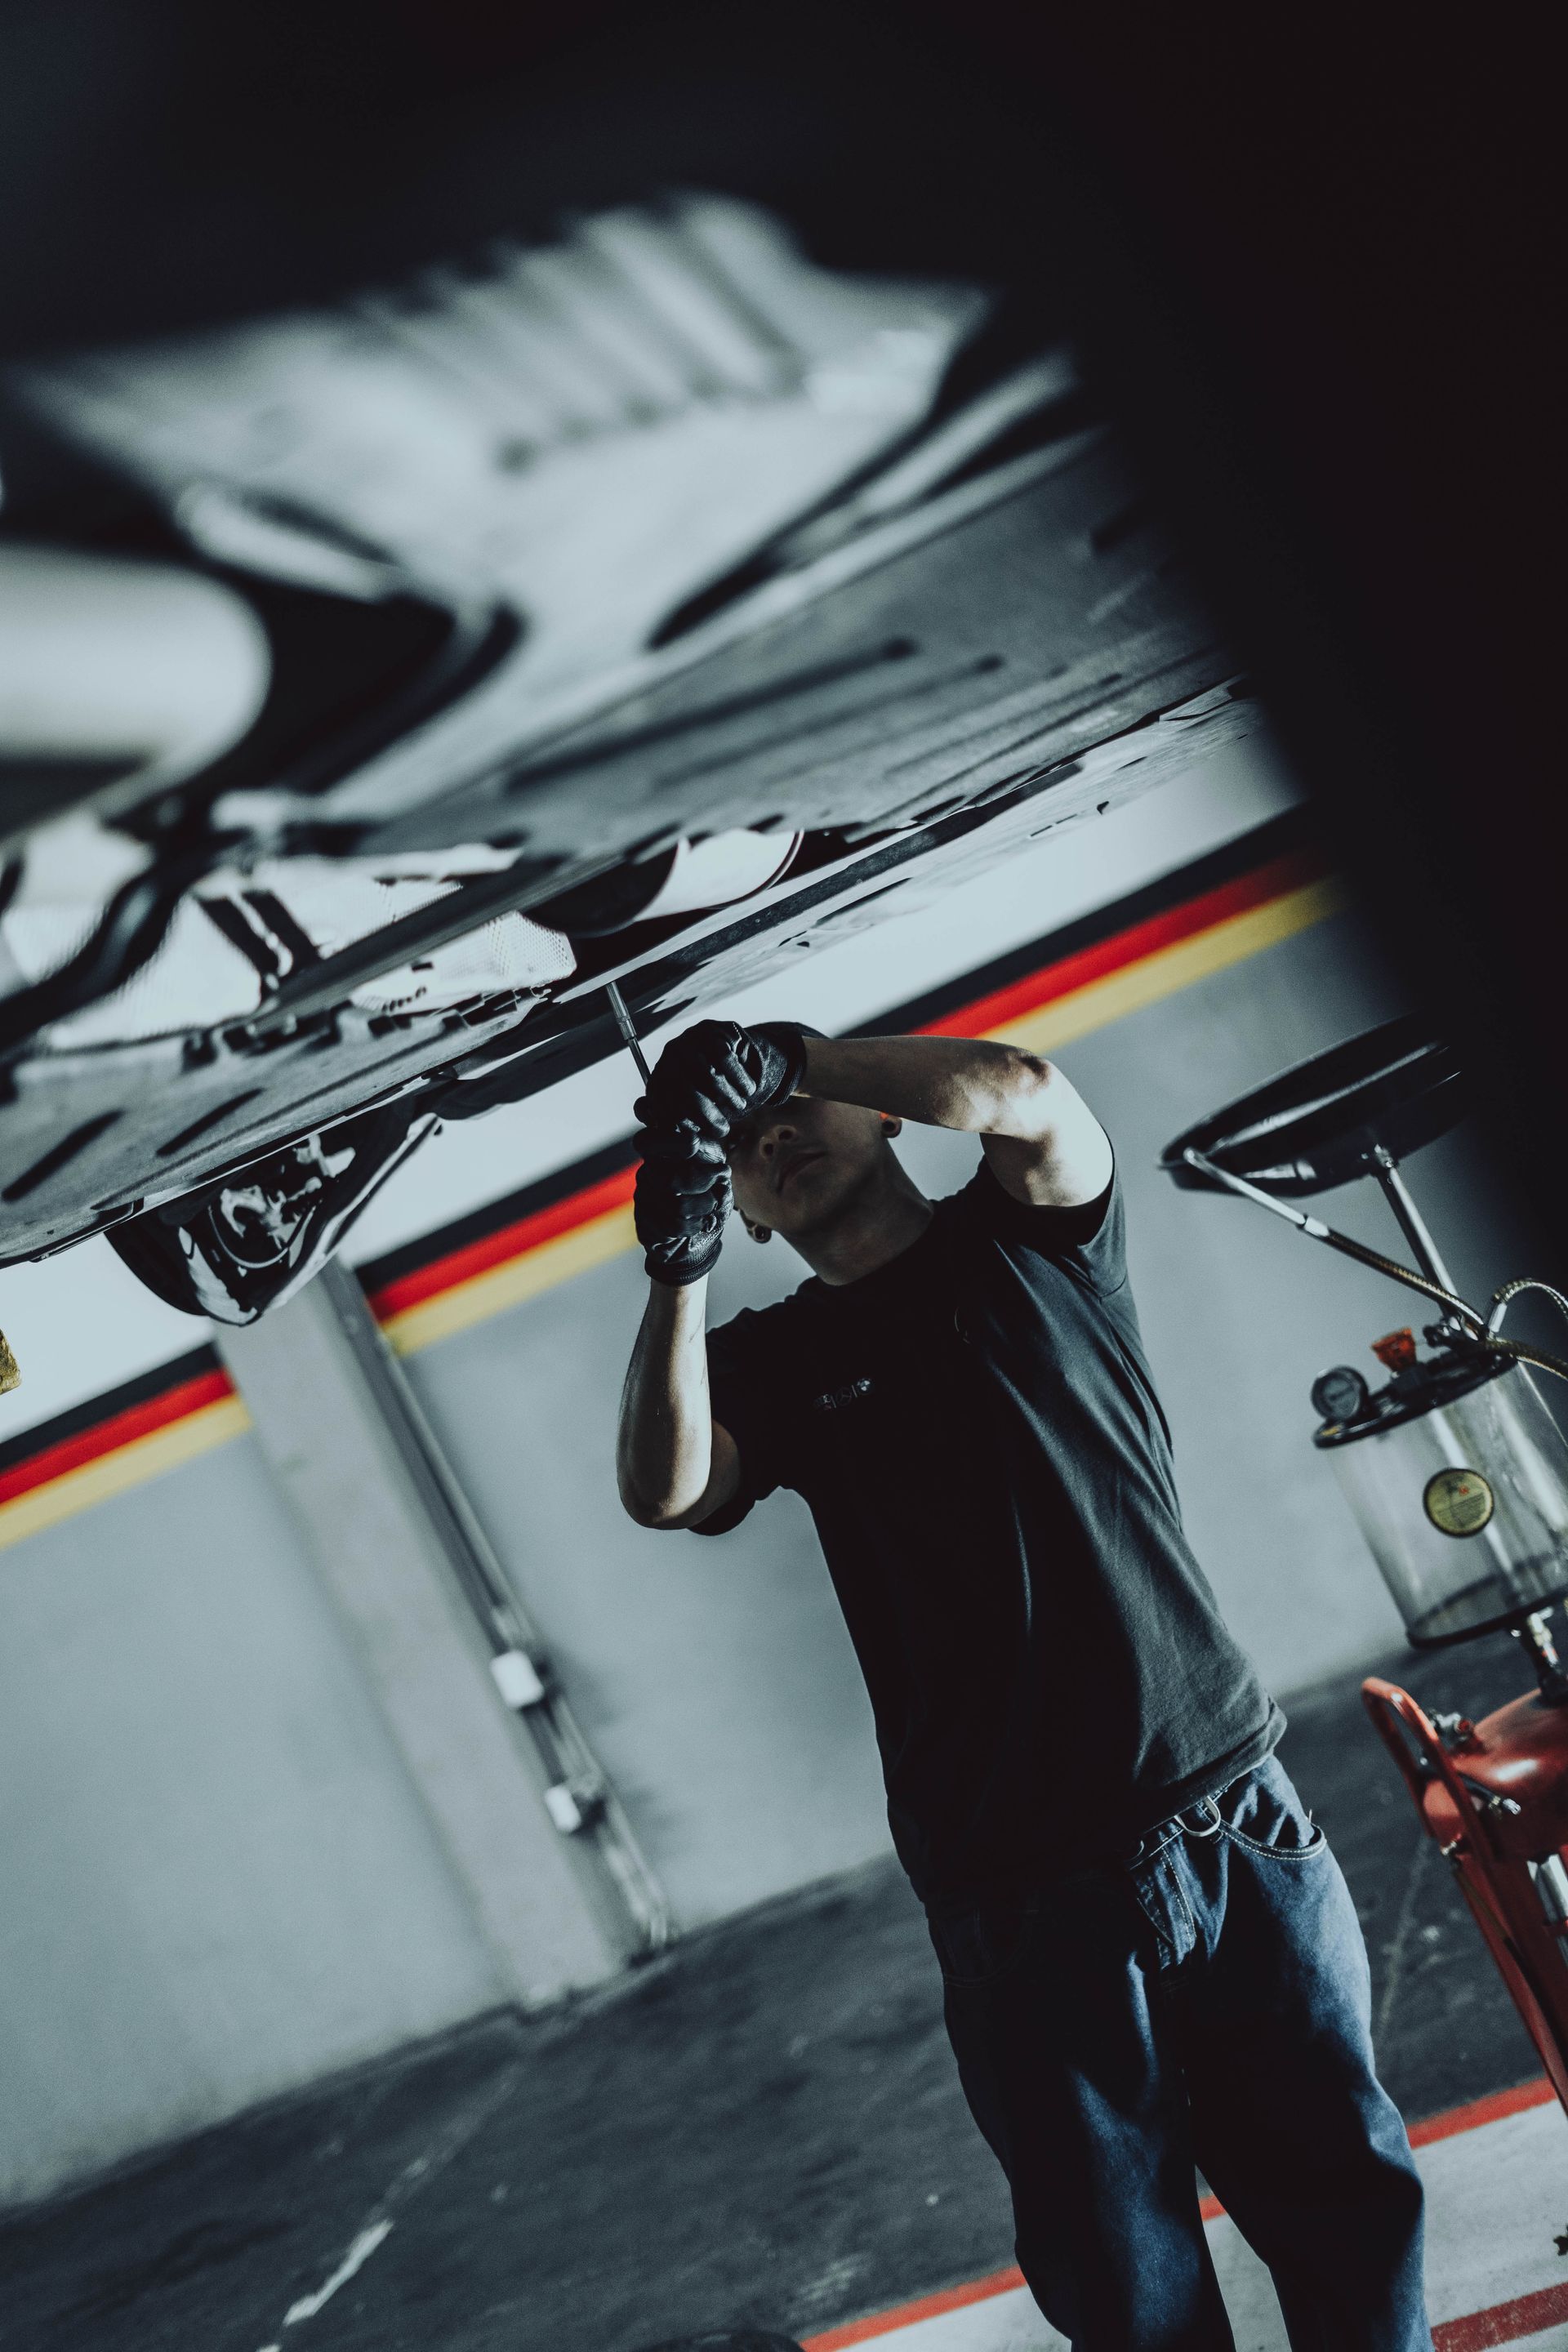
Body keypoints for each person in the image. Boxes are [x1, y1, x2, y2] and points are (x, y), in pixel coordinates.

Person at [616, 1018, 1431, 2351]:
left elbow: (1029, 1093)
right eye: (744, 1151)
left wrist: (790, 1055)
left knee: (1343, 2204)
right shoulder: (774, 1361)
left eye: (791, 1106)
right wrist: (677, 1269)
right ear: (745, 1214)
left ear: (882, 1114)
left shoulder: (1038, 1240)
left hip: (1219, 1812)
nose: (774, 1138)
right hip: (1013, 1894)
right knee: (1124, 2287)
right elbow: (663, 1489)